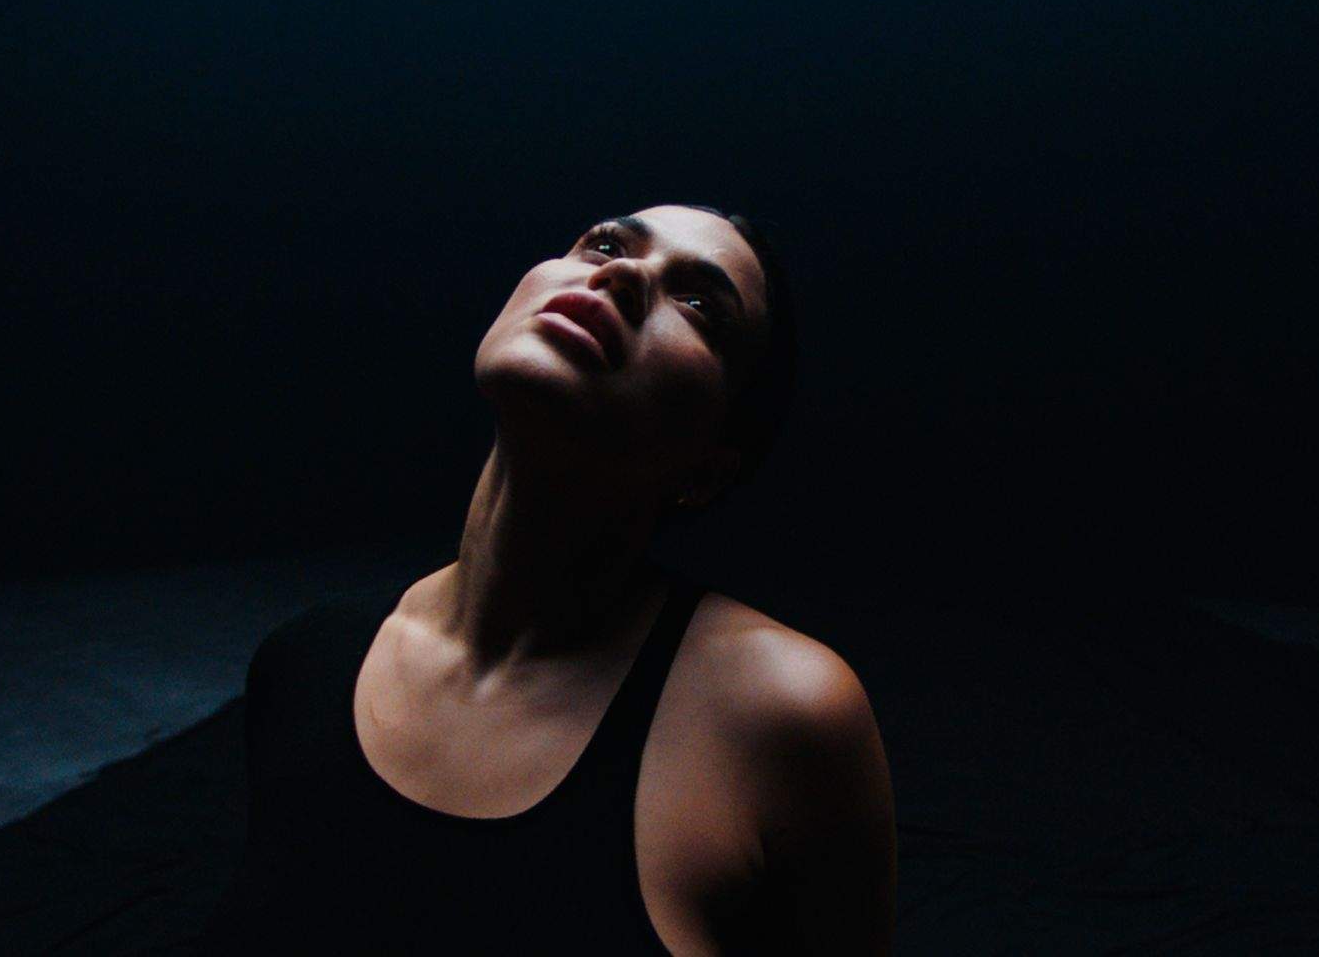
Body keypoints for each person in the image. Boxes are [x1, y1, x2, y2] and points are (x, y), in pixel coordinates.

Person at [199, 204, 896, 954]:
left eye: (698, 303)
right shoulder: (304, 664)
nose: (622, 274)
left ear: (709, 469)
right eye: (605, 243)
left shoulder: (783, 713)